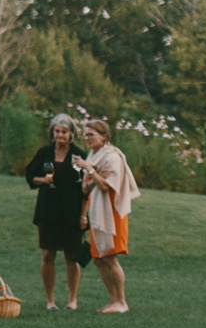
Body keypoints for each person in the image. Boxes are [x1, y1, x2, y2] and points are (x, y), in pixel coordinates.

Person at [74, 119, 137, 314]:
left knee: (110, 258)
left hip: (112, 213)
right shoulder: (93, 156)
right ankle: (112, 300)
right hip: (96, 213)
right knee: (98, 259)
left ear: (104, 136)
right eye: (85, 135)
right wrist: (93, 174)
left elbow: (105, 186)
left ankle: (122, 302)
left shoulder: (112, 157)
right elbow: (85, 188)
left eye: (91, 134)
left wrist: (90, 170)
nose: (87, 138)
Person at [27, 114, 85, 311]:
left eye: (64, 132)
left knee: (72, 256)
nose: (60, 135)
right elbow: (30, 176)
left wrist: (83, 215)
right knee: (47, 254)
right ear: (52, 133)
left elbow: (86, 189)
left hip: (71, 212)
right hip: (48, 210)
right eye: (57, 131)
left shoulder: (78, 156)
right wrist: (43, 180)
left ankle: (72, 300)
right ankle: (50, 301)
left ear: (72, 134)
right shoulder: (44, 153)